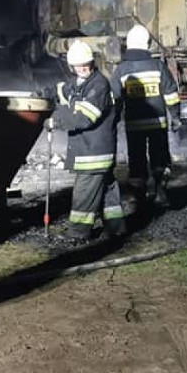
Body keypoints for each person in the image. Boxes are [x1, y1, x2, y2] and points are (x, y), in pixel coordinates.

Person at [48, 39, 126, 241]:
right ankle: (116, 227)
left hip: (94, 152)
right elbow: (63, 92)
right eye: (78, 65)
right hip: (96, 149)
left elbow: (84, 118)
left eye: (86, 64)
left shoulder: (98, 85)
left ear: (92, 63)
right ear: (71, 66)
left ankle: (78, 232)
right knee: (107, 190)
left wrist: (55, 121)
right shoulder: (78, 84)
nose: (82, 68)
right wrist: (43, 95)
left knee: (84, 192)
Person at [110, 23, 182, 209]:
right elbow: (171, 95)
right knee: (160, 157)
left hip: (134, 126)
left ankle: (138, 197)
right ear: (147, 44)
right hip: (158, 124)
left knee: (136, 160)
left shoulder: (121, 70)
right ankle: (160, 192)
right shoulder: (158, 66)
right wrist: (175, 117)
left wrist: (114, 120)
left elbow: (115, 100)